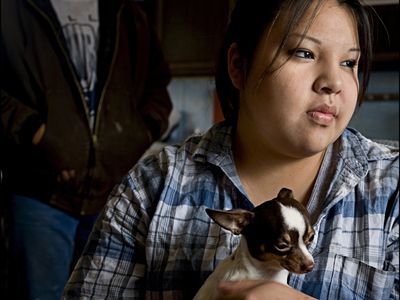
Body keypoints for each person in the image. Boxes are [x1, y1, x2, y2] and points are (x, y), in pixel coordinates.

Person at [63, 0, 399, 299]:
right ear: (239, 65)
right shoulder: (151, 188)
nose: (333, 82)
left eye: (349, 63)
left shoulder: (393, 190)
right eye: (304, 52)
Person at [0, 0, 172, 299]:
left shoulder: (129, 13)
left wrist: (132, 139)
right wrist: (38, 134)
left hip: (110, 196)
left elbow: (157, 89)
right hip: (38, 192)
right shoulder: (12, 9)